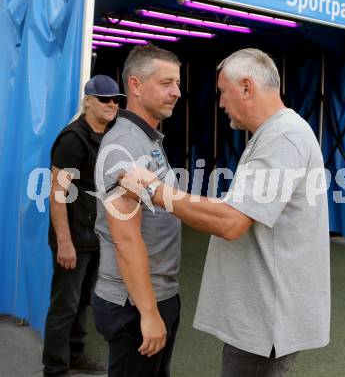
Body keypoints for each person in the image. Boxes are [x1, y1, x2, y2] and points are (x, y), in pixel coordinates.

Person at [119, 48, 331, 377]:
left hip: (266, 324)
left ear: (246, 87)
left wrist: (154, 192)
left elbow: (232, 222)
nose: (219, 102)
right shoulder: (275, 134)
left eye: (222, 92)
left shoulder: (283, 137)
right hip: (263, 318)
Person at [92, 44, 182, 377]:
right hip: (134, 304)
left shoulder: (147, 138)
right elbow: (126, 239)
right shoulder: (126, 143)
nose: (176, 92)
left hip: (155, 294)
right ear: (135, 85)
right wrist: (148, 312)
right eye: (166, 83)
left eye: (177, 83)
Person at [43, 74, 125, 377]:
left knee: (83, 302)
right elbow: (57, 195)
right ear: (88, 101)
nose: (111, 104)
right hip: (73, 237)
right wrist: (64, 243)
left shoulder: (109, 135)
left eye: (116, 99)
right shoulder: (72, 139)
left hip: (96, 236)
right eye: (104, 99)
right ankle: (54, 367)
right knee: (65, 304)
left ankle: (75, 354)